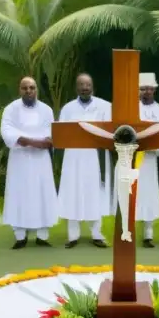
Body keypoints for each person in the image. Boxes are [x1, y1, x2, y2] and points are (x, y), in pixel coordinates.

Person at [0, 76, 58, 248]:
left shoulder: (46, 110)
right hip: (20, 161)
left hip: (41, 161)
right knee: (20, 194)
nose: (29, 91)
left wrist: (38, 142)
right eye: (25, 88)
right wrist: (33, 142)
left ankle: (42, 236)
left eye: (32, 87)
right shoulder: (11, 109)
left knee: (42, 194)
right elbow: (7, 131)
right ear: (20, 90)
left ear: (36, 90)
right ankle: (20, 236)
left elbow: (51, 132)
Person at [57, 73, 111, 249]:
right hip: (73, 157)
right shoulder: (68, 108)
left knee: (94, 193)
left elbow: (110, 130)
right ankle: (73, 235)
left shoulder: (104, 106)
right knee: (72, 192)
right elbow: (61, 133)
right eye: (81, 84)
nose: (84, 87)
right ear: (76, 87)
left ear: (92, 86)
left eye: (87, 84)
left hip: (94, 158)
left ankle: (97, 234)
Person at [137, 72, 159, 248]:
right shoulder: (130, 108)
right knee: (130, 194)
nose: (146, 92)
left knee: (148, 195)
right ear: (138, 90)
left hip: (149, 159)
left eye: (150, 89)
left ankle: (148, 234)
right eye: (143, 89)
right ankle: (129, 232)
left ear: (154, 90)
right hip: (131, 157)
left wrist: (151, 147)